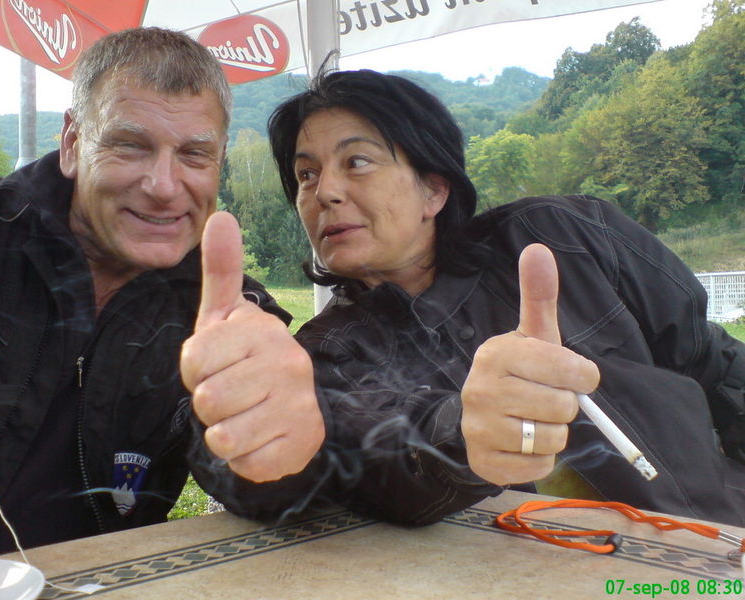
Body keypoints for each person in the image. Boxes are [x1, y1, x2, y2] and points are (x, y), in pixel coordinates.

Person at [232, 67, 745, 527]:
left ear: (434, 189)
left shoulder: (563, 235)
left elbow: (713, 363)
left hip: (716, 537)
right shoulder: (327, 353)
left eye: (358, 161)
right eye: (306, 174)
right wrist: (465, 436)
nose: (324, 192)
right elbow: (382, 465)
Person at [0, 27, 322, 556]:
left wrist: (280, 447)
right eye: (129, 145)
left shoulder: (230, 315)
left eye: (194, 154)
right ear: (73, 144)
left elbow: (254, 489)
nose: (164, 186)